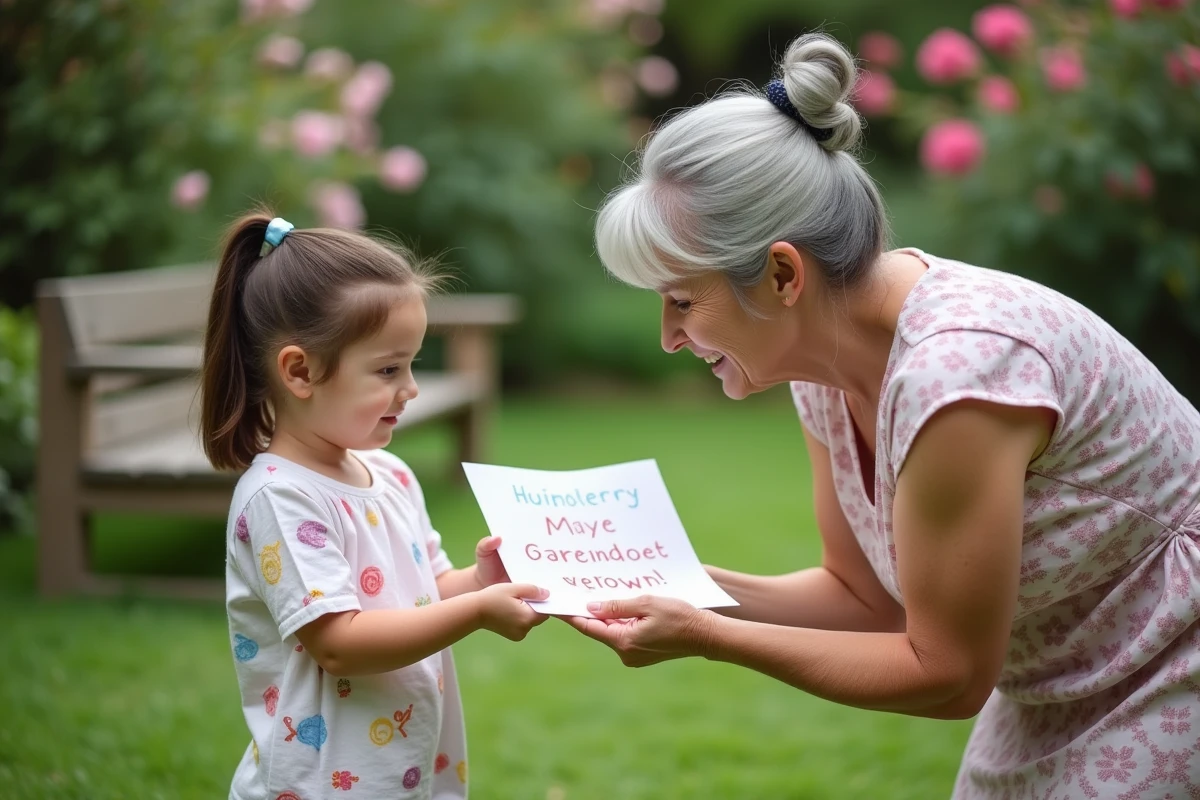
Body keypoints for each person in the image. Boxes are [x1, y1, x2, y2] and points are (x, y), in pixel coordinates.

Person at [569, 32, 1200, 799]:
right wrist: (672, 584)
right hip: (1065, 670)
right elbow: (864, 597)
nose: (668, 338)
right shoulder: (823, 370)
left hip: (1174, 653)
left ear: (780, 274)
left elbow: (948, 675)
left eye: (680, 301)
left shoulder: (960, 371)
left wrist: (708, 637)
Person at [200, 212, 549, 800]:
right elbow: (339, 643)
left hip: (399, 766)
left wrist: (479, 581)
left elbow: (426, 590)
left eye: (411, 363)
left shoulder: (387, 473)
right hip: (321, 780)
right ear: (300, 370)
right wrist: (479, 613)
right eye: (388, 369)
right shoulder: (280, 498)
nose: (410, 388)